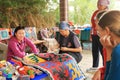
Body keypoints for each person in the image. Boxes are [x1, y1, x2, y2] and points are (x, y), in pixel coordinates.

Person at [94, 10, 120, 80]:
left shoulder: (117, 51)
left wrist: (109, 51)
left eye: (99, 32)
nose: (99, 37)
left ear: (107, 31)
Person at [87, 0, 110, 72]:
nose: (98, 6)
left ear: (106, 5)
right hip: (94, 34)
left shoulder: (108, 13)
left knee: (103, 51)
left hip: (102, 35)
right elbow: (92, 24)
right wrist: (91, 34)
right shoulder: (95, 13)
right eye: (98, 4)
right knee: (94, 50)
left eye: (100, 5)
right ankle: (95, 66)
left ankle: (105, 67)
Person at [92, 10, 107, 80]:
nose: (96, 28)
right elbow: (108, 67)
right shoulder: (107, 47)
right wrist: (100, 70)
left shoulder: (116, 50)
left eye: (96, 23)